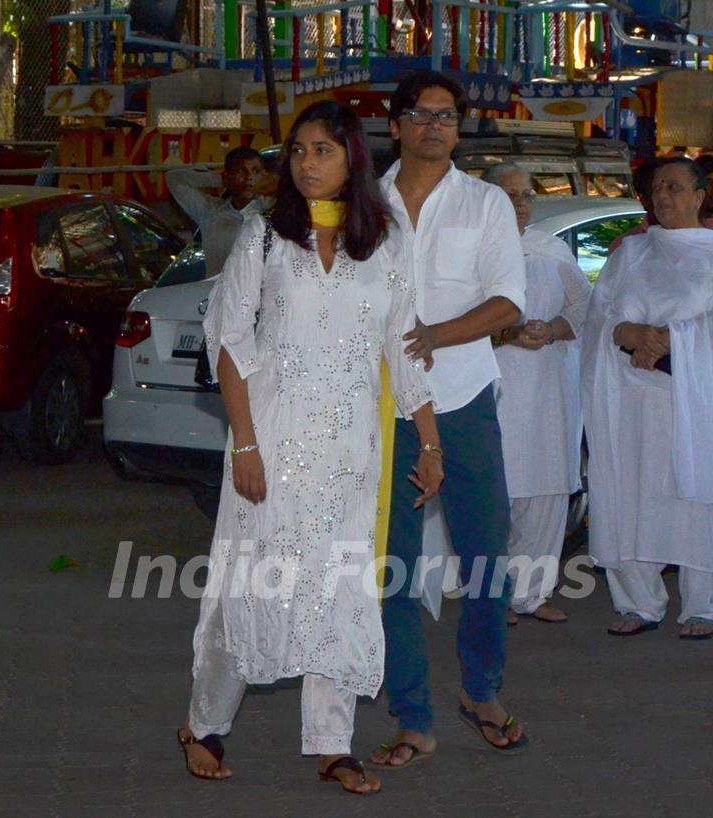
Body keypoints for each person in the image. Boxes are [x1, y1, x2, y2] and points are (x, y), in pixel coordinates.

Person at [177, 100, 444, 793]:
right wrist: (245, 447)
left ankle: (333, 743)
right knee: (252, 586)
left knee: (337, 591)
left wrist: (428, 441)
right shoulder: (265, 237)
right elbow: (229, 343)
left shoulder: (385, 241)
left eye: (322, 150)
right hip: (269, 436)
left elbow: (402, 345)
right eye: (297, 151)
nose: (306, 164)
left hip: (351, 449)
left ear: (352, 158)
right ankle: (204, 722)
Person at [369, 70, 528, 768]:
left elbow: (509, 306)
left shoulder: (486, 204)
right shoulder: (363, 204)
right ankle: (412, 716)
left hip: (463, 401)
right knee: (393, 568)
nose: (434, 125)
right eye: (421, 114)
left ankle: (482, 690)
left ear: (459, 128)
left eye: (446, 115)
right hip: (382, 408)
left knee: (488, 552)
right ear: (396, 123)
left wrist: (436, 335)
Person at [582, 156, 713, 640]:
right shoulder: (630, 255)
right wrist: (627, 333)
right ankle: (638, 600)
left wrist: (670, 340)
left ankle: (704, 604)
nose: (664, 196)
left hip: (693, 398)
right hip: (629, 395)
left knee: (697, 493)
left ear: (699, 197)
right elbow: (599, 316)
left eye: (676, 188)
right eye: (658, 188)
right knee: (630, 491)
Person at [481, 163, 591, 625]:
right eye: (509, 195)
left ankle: (533, 593)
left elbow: (585, 308)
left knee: (545, 489)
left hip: (548, 386)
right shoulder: (473, 252)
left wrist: (553, 329)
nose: (520, 203)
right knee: (495, 491)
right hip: (494, 383)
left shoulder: (550, 251)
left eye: (526, 195)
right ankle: (491, 596)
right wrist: (504, 335)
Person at [166, 146, 265, 277]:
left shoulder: (270, 212)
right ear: (227, 175)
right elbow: (174, 179)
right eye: (241, 172)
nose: (249, 178)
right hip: (217, 294)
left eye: (255, 171)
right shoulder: (210, 211)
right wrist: (219, 180)